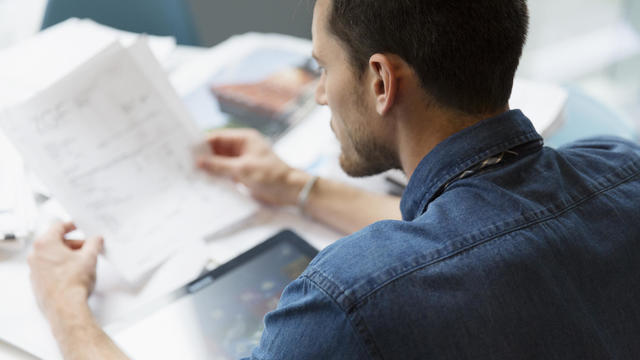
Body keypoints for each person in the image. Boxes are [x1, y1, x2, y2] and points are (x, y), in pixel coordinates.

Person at [28, 0, 640, 358]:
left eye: (322, 66)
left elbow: (438, 261)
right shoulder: (622, 167)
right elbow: (479, 234)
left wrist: (66, 311)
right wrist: (300, 187)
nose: (319, 93)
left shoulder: (349, 300)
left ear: (381, 82)